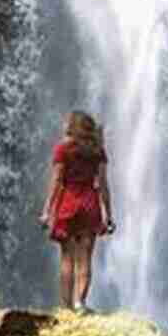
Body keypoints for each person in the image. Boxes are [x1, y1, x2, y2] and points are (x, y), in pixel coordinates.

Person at [39, 109, 114, 311]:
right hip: (90, 204)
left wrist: (47, 210)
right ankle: (80, 302)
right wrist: (109, 215)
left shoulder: (62, 150)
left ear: (72, 127)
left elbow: (56, 182)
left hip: (68, 203)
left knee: (67, 258)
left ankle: (65, 306)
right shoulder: (98, 152)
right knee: (85, 258)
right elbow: (104, 184)